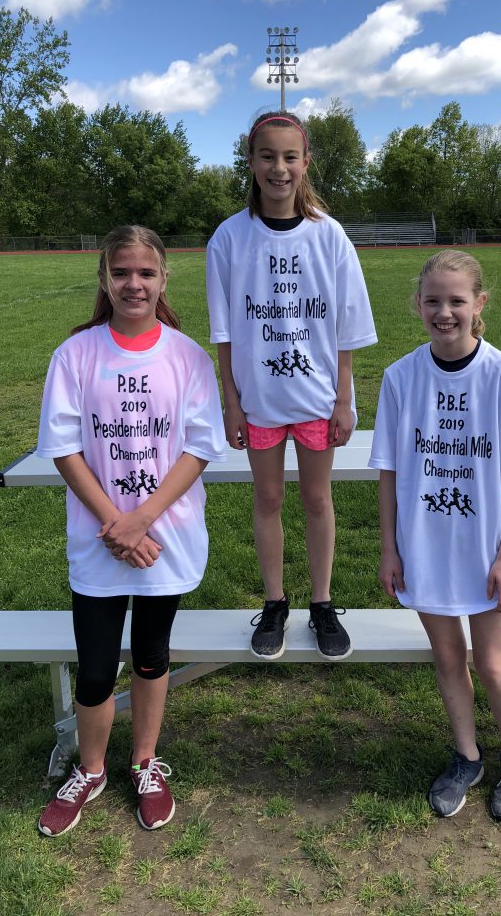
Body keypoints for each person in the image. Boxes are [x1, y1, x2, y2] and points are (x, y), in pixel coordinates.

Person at [36, 225, 226, 836]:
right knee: (95, 668)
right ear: (104, 279)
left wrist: (141, 519)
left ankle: (144, 761)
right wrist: (115, 523)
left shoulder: (188, 356)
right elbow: (65, 449)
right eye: (122, 273)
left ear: (163, 278)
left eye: (146, 273)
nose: (134, 283)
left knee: (150, 655)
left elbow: (198, 448)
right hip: (100, 540)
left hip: (161, 540)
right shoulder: (76, 354)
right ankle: (91, 769)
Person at [368, 250, 501, 821]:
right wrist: (391, 548)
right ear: (417, 306)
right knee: (447, 658)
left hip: (486, 550)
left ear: (479, 304)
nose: (444, 312)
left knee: (491, 663)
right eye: (433, 301)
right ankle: (466, 755)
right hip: (425, 547)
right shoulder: (401, 377)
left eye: (456, 301)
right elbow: (390, 473)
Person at [206, 111, 377, 661]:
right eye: (267, 157)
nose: (279, 168)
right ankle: (275, 602)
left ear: (305, 163)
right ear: (251, 163)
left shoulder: (329, 236)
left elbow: (346, 324)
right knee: (269, 497)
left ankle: (322, 604)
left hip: (315, 400)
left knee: (316, 497)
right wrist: (231, 403)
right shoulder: (229, 239)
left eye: (290, 157)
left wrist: (344, 398)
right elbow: (226, 334)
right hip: (258, 403)